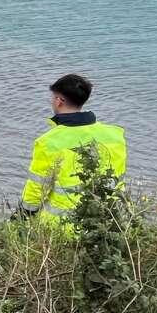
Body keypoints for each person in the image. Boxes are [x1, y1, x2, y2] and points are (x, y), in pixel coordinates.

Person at [19, 73, 126, 222]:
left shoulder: (49, 142)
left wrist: (19, 219)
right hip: (107, 222)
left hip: (62, 228)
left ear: (59, 101)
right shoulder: (115, 136)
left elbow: (36, 191)